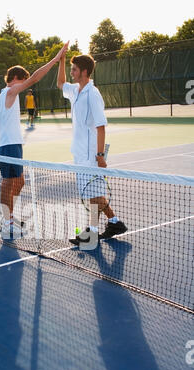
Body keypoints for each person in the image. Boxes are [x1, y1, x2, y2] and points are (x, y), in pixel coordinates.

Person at [0, 42, 69, 239]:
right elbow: (36, 77)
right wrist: (56, 59)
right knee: (8, 183)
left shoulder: (5, 96)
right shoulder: (9, 92)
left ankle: (9, 217)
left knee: (19, 182)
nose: (25, 83)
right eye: (23, 80)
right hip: (9, 145)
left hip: (13, 144)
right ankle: (6, 222)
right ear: (14, 79)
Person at [57, 54, 127, 244]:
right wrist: (61, 59)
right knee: (92, 192)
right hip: (79, 152)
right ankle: (114, 222)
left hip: (91, 153)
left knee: (93, 194)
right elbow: (60, 83)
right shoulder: (75, 90)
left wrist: (100, 155)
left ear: (84, 72)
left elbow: (101, 126)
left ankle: (93, 232)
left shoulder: (93, 93)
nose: (71, 72)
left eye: (74, 69)